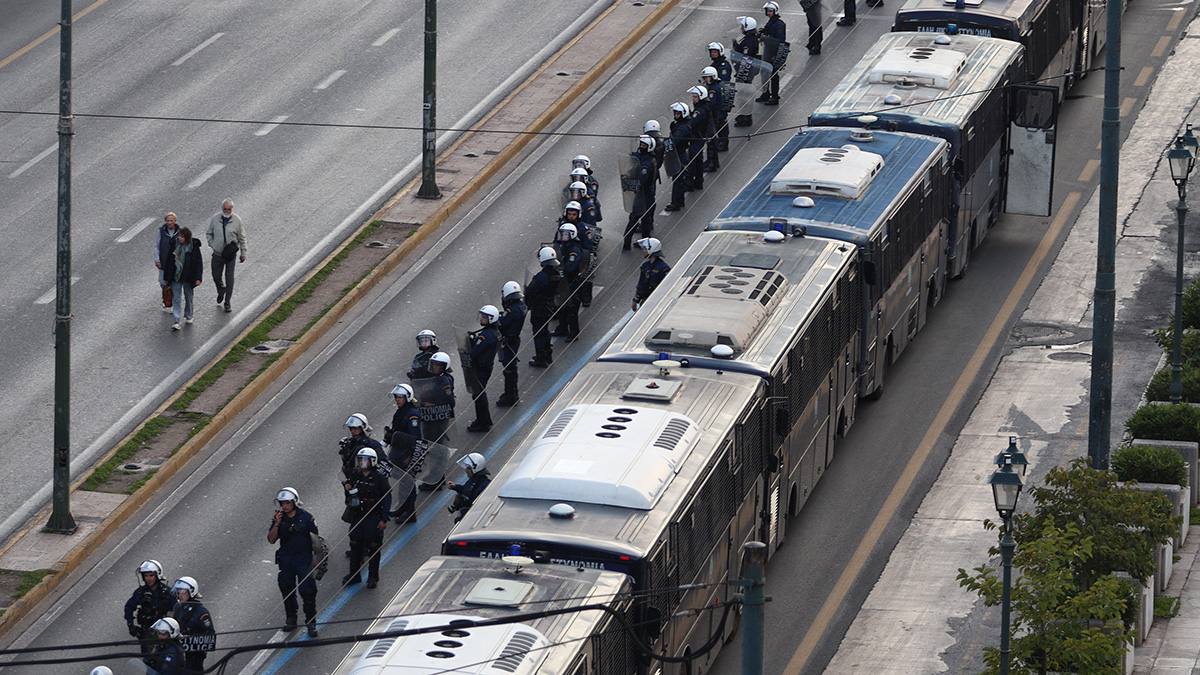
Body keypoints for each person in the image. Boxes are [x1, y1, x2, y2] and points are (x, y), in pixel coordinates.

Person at [267, 487, 320, 637]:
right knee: (286, 587)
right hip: (287, 559)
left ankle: (311, 622)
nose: (284, 506)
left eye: (287, 503)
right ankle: (291, 618)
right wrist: (277, 523)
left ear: (294, 502)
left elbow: (316, 540)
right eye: (282, 503)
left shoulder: (307, 518)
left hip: (303, 559)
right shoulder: (278, 518)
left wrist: (316, 561)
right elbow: (271, 539)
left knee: (308, 591)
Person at [343, 448, 391, 588]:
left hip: (373, 517)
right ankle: (354, 574)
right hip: (358, 516)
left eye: (365, 460)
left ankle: (372, 577)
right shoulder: (356, 477)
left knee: (373, 546)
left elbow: (387, 498)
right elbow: (350, 496)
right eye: (361, 460)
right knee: (355, 544)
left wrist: (384, 518)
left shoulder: (379, 478)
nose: (362, 463)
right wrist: (347, 489)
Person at [384, 383, 421, 524]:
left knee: (408, 483)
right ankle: (402, 507)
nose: (397, 400)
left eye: (400, 397)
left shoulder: (412, 415)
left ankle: (410, 513)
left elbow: (415, 437)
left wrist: (410, 456)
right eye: (396, 397)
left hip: (406, 454)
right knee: (401, 481)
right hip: (398, 452)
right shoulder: (400, 412)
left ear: (408, 397)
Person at [205, 198, 247, 313]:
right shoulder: (215, 219)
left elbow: (242, 238)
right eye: (225, 209)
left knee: (230, 279)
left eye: (229, 209)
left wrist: (243, 253)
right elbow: (209, 233)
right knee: (216, 276)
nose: (227, 211)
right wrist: (213, 245)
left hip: (230, 255)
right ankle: (221, 290)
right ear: (222, 209)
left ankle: (227, 302)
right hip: (218, 255)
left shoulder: (237, 220)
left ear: (232, 209)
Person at [124, 560, 174, 655]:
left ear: (157, 575)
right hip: (146, 633)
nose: (148, 579)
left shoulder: (167, 593)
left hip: (164, 634)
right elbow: (128, 607)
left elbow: (178, 610)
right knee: (148, 660)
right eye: (146, 576)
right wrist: (131, 626)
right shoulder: (140, 592)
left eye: (151, 575)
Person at [467, 305, 501, 432]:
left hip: (481, 369)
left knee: (479, 395)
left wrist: (471, 344)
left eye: (485, 317)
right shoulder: (494, 332)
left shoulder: (486, 336)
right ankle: (485, 419)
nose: (482, 319)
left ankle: (483, 422)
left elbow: (475, 353)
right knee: (479, 394)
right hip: (486, 367)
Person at [171, 576, 214, 673]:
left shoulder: (201, 612)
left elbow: (210, 636)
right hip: (179, 651)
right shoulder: (178, 608)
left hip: (194, 654)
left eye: (183, 592)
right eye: (178, 592)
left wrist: (188, 638)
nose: (180, 595)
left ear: (191, 592)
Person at [526, 247, 561, 368]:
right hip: (550, 305)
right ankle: (548, 354)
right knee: (545, 331)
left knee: (539, 333)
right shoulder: (556, 274)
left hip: (539, 307)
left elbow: (530, 291)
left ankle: (541, 358)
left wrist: (528, 302)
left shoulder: (540, 277)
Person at [624, 136, 658, 251]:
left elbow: (642, 180)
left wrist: (631, 181)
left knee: (641, 218)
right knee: (640, 218)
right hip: (643, 193)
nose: (641, 147)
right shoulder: (643, 158)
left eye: (644, 145)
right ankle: (630, 242)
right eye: (641, 144)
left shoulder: (647, 163)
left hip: (645, 193)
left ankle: (638, 242)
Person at [552, 224, 584, 340]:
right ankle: (562, 328)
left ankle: (574, 332)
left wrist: (560, 268)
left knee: (572, 308)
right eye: (562, 234)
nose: (563, 237)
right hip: (562, 282)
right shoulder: (562, 246)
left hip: (571, 282)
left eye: (566, 234)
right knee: (561, 305)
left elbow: (570, 267)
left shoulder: (574, 249)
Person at [497, 282, 526, 407]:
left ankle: (511, 395)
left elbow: (502, 323)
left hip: (509, 341)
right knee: (511, 368)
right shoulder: (522, 305)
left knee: (509, 369)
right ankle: (512, 393)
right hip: (514, 339)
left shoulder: (512, 310)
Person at [169, 227, 203, 332]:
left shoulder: (194, 247)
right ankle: (176, 320)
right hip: (177, 276)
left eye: (182, 236)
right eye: (179, 236)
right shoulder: (175, 246)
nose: (180, 238)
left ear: (187, 237)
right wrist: (167, 277)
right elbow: (169, 262)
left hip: (189, 277)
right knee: (176, 299)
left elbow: (198, 263)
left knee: (188, 297)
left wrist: (198, 278)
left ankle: (189, 315)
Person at [446, 453, 492, 523]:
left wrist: (461, 520)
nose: (465, 470)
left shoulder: (484, 485)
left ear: (475, 468)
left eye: (468, 468)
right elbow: (466, 489)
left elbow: (479, 508)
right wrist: (455, 487)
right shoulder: (473, 479)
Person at [664, 102, 693, 212]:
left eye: (678, 113)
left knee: (677, 179)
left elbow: (674, 141)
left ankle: (676, 203)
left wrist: (662, 145)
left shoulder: (682, 128)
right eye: (675, 113)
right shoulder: (677, 125)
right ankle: (680, 200)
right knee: (678, 179)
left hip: (680, 155)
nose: (676, 115)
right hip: (677, 154)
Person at [338, 413, 384, 479]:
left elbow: (383, 463)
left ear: (362, 427)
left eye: (355, 428)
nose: (352, 431)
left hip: (369, 479)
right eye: (351, 428)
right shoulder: (349, 443)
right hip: (353, 479)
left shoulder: (372, 444)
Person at [759, 1, 789, 102]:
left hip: (774, 52)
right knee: (765, 73)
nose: (768, 13)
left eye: (770, 11)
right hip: (768, 50)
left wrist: (777, 55)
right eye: (767, 11)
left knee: (773, 75)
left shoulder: (779, 24)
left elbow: (780, 41)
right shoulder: (771, 22)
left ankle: (775, 96)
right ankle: (766, 93)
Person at [700, 69, 728, 170]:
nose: (706, 80)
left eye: (707, 77)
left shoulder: (713, 90)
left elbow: (711, 104)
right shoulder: (717, 86)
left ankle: (712, 162)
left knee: (711, 139)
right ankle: (713, 161)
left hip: (715, 115)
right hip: (719, 114)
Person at [632, 238, 672, 310]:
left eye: (645, 249)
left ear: (651, 250)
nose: (643, 251)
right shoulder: (645, 266)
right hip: (645, 301)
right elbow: (641, 284)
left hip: (657, 302)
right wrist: (635, 300)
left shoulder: (663, 268)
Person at [154, 212, 179, 312]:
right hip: (164, 262)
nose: (169, 223)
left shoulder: (179, 232)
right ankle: (165, 297)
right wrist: (157, 260)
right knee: (162, 282)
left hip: (174, 263)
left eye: (171, 220)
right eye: (168, 221)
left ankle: (172, 301)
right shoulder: (161, 232)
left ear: (175, 221)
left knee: (174, 283)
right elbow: (156, 246)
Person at [571, 157, 602, 222]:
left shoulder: (592, 184)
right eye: (576, 165)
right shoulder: (571, 185)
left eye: (580, 165)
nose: (577, 167)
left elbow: (591, 203)